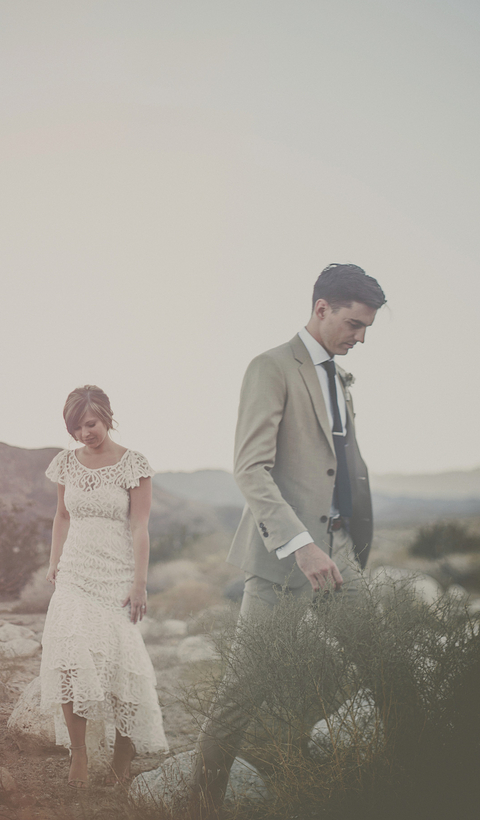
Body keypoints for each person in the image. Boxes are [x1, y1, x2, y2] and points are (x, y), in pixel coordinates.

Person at [189, 263, 387, 816]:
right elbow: (250, 469)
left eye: (368, 327)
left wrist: (349, 543)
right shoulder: (271, 367)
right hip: (287, 562)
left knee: (385, 668)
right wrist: (301, 545)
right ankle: (198, 804)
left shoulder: (338, 378)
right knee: (241, 693)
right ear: (321, 308)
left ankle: (404, 785)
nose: (361, 338)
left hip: (341, 559)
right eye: (354, 324)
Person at [39, 385, 168, 788]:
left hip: (117, 576)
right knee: (68, 656)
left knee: (121, 665)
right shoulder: (66, 463)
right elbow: (62, 515)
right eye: (76, 428)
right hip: (75, 573)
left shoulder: (134, 464)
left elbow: (140, 526)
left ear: (107, 417)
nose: (83, 434)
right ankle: (79, 757)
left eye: (90, 424)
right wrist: (54, 559)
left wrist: (140, 583)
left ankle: (121, 758)